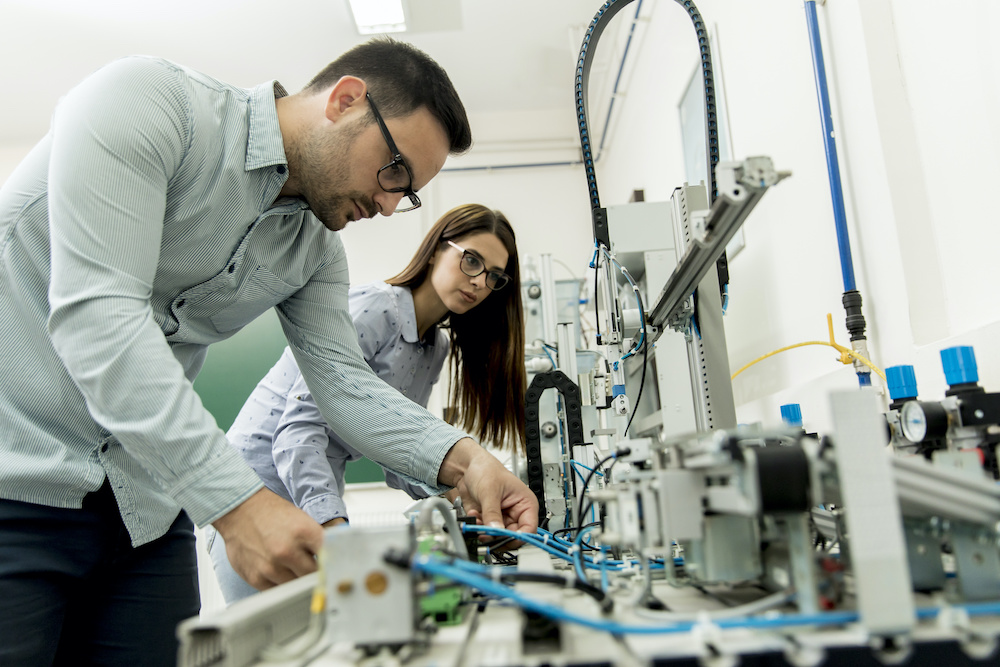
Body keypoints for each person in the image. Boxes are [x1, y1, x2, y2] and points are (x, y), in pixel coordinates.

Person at [0, 38, 538, 666]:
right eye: (394, 172)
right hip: (19, 481)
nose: (391, 205)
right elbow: (101, 318)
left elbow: (344, 386)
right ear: (345, 101)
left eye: (408, 193)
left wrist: (467, 460)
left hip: (144, 510)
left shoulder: (313, 250)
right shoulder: (150, 105)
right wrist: (237, 504)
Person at [209, 203, 526, 602]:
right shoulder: (376, 306)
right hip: (254, 488)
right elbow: (298, 430)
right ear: (436, 250)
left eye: (494, 276)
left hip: (312, 485)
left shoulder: (434, 347)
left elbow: (397, 450)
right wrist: (335, 528)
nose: (480, 282)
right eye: (472, 261)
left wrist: (461, 496)